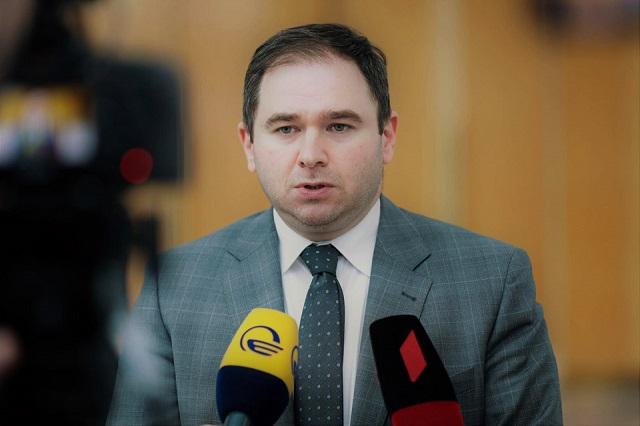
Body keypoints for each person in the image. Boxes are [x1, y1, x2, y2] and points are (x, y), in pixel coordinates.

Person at [107, 23, 562, 426]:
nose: (311, 155)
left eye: (339, 126)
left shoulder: (493, 282)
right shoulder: (175, 285)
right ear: (248, 144)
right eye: (286, 129)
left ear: (387, 136)